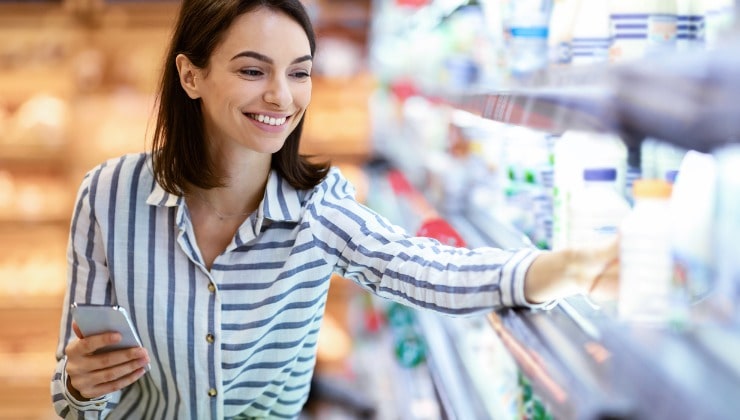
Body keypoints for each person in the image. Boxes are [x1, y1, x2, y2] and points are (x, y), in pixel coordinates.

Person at [51, 0, 619, 418]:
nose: (282, 96)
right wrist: (81, 385)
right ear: (190, 74)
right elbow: (70, 401)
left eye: (299, 72)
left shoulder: (317, 210)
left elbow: (429, 269)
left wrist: (570, 267)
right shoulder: (108, 196)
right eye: (253, 70)